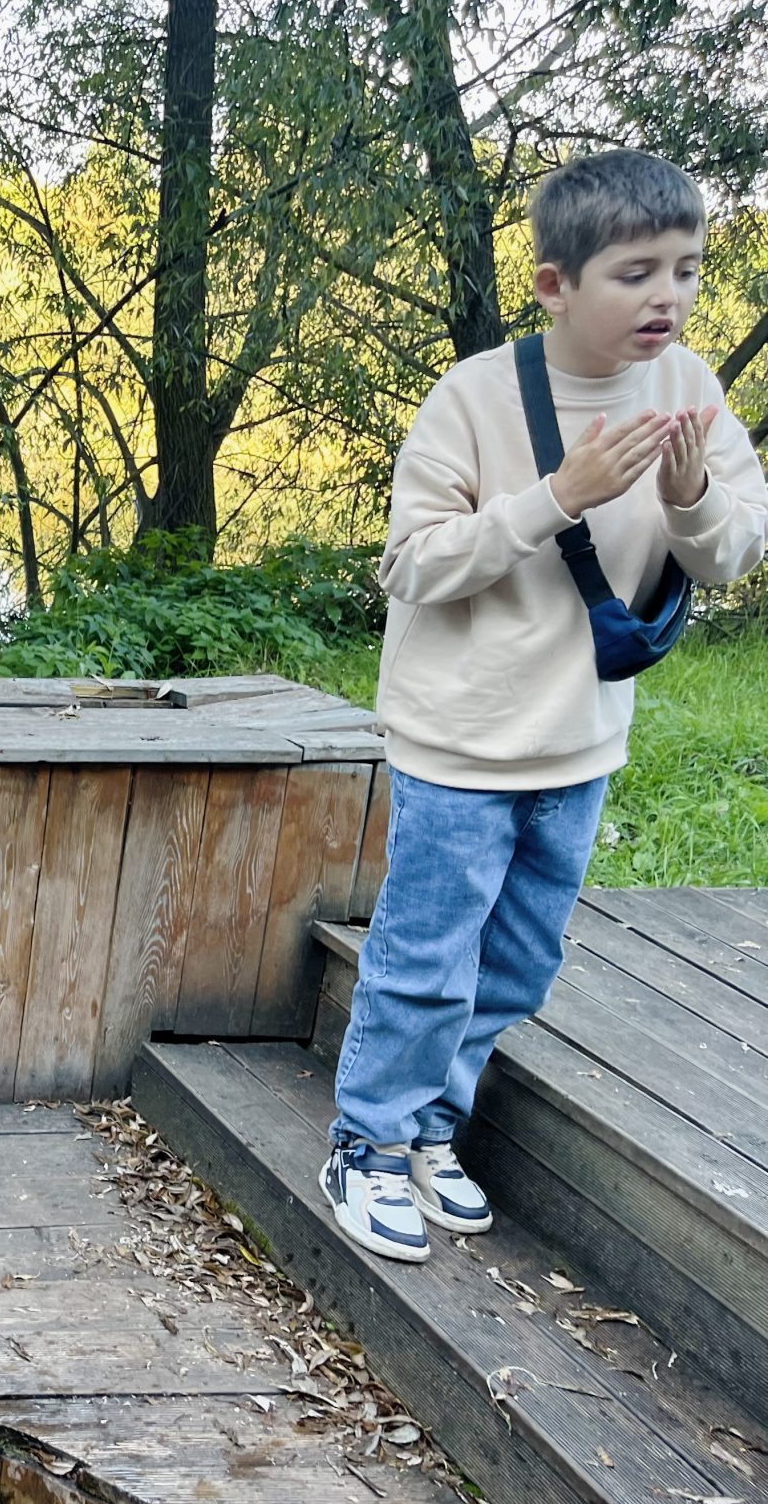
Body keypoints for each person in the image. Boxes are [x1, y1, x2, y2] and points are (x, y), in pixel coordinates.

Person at [323, 149, 766, 1263]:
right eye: (635, 273)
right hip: (459, 740)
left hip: (581, 742)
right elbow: (411, 566)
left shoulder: (690, 391)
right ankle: (365, 1143)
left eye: (685, 269)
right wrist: (556, 497)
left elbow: (730, 556)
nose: (667, 297)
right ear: (555, 285)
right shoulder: (474, 397)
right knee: (426, 958)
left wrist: (689, 495)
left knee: (519, 962)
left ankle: (430, 1129)